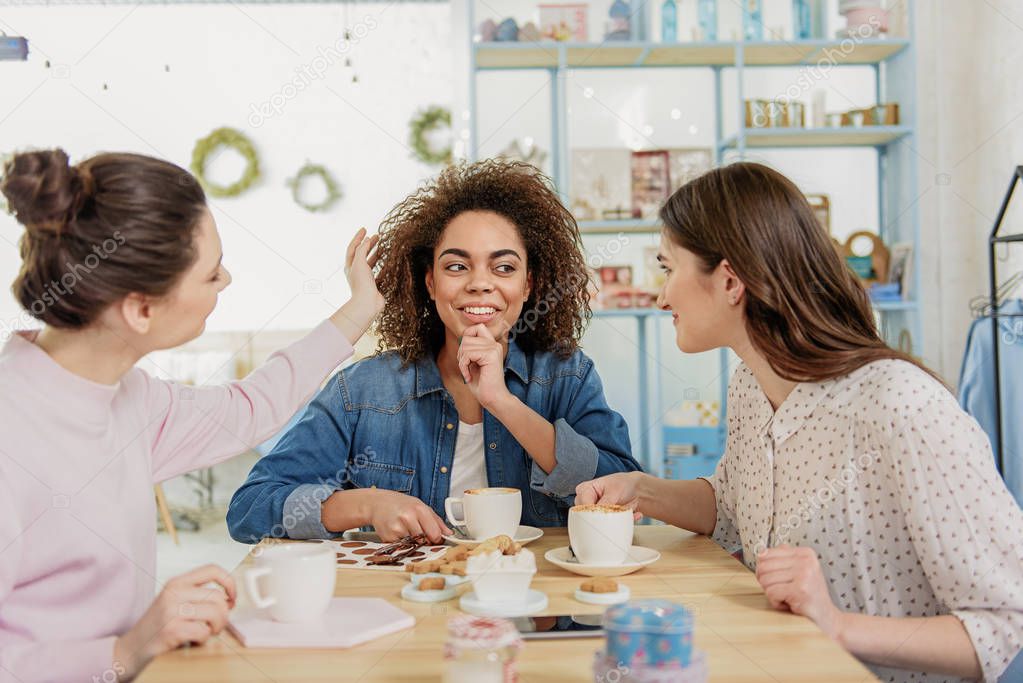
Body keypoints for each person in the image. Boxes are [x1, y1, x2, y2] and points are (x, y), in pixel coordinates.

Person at [575, 162, 1023, 682]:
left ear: (728, 280)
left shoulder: (901, 406)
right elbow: (733, 507)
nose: (661, 296)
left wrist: (835, 624)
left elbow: (1005, 623)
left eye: (668, 267)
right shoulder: (749, 385)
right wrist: (641, 490)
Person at [0, 149, 383, 682]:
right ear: (142, 309)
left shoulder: (128, 397)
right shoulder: (11, 437)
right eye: (210, 274)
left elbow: (249, 408)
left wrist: (361, 306)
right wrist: (128, 649)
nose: (225, 279)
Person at [227, 160, 640, 544]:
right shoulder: (364, 391)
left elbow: (625, 493)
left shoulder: (568, 377)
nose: (480, 284)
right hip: (413, 614)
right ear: (430, 283)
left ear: (528, 286)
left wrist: (502, 401)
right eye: (457, 266)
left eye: (504, 267)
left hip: (538, 616)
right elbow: (251, 509)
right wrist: (365, 504)